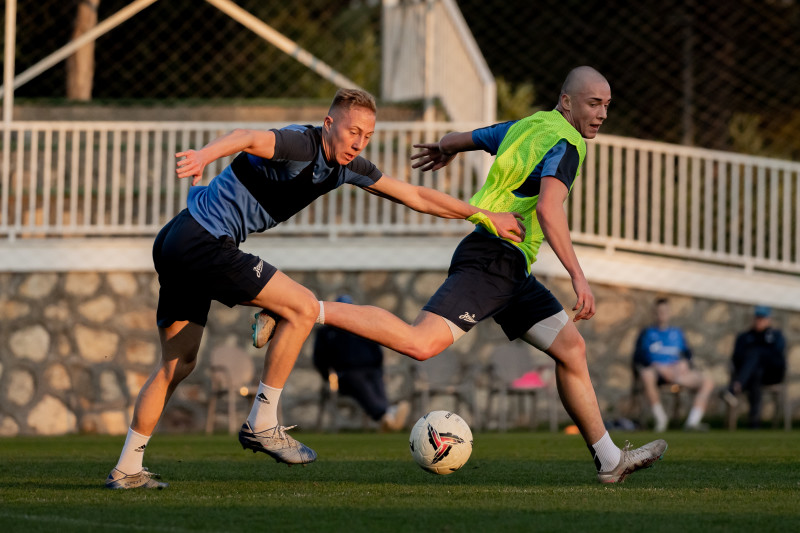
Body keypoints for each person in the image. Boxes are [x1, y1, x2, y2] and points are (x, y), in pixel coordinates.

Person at [105, 88, 525, 489]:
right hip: (202, 241)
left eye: (367, 136)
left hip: (178, 241)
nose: (359, 142)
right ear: (329, 124)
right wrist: (204, 155)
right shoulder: (301, 145)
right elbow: (247, 137)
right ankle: (263, 422)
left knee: (177, 365)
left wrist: (484, 215)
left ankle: (127, 467)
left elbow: (415, 194)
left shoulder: (346, 167)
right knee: (304, 308)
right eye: (352, 131)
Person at [313, 66, 668, 484]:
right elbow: (548, 209)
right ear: (566, 101)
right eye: (594, 103)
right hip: (493, 260)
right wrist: (579, 277)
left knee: (572, 350)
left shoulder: (530, 125)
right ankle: (308, 308)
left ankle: (609, 461)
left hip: (509, 266)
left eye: (607, 105)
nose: (602, 113)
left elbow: (475, 136)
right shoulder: (568, 142)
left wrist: (445, 147)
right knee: (419, 343)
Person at [313, 295, 410, 431]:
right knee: (360, 383)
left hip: (371, 370)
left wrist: (380, 369)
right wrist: (328, 377)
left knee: (377, 383)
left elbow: (376, 350)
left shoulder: (362, 326)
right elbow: (319, 359)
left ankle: (386, 416)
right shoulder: (326, 332)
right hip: (345, 375)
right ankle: (386, 413)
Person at [633, 297, 714, 432]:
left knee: (708, 382)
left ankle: (692, 423)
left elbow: (687, 354)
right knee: (646, 374)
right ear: (654, 313)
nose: (662, 314)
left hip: (677, 373)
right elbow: (639, 357)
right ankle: (661, 419)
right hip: (657, 373)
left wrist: (684, 363)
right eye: (659, 311)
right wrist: (657, 366)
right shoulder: (647, 333)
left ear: (669, 313)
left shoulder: (677, 333)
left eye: (665, 311)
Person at [723, 305, 786, 428]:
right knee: (756, 372)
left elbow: (778, 356)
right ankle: (754, 421)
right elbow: (736, 358)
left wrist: (758, 354)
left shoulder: (776, 336)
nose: (759, 321)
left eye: (762, 318)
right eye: (757, 318)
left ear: (769, 320)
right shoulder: (744, 337)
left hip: (772, 374)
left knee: (755, 354)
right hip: (752, 376)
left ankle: (734, 388)